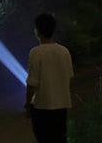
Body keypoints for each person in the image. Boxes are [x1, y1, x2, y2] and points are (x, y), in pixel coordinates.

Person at [25, 13, 73, 143]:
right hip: (62, 107)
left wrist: (28, 104)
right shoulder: (64, 51)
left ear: (37, 31)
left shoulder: (36, 53)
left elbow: (32, 84)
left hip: (42, 107)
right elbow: (69, 76)